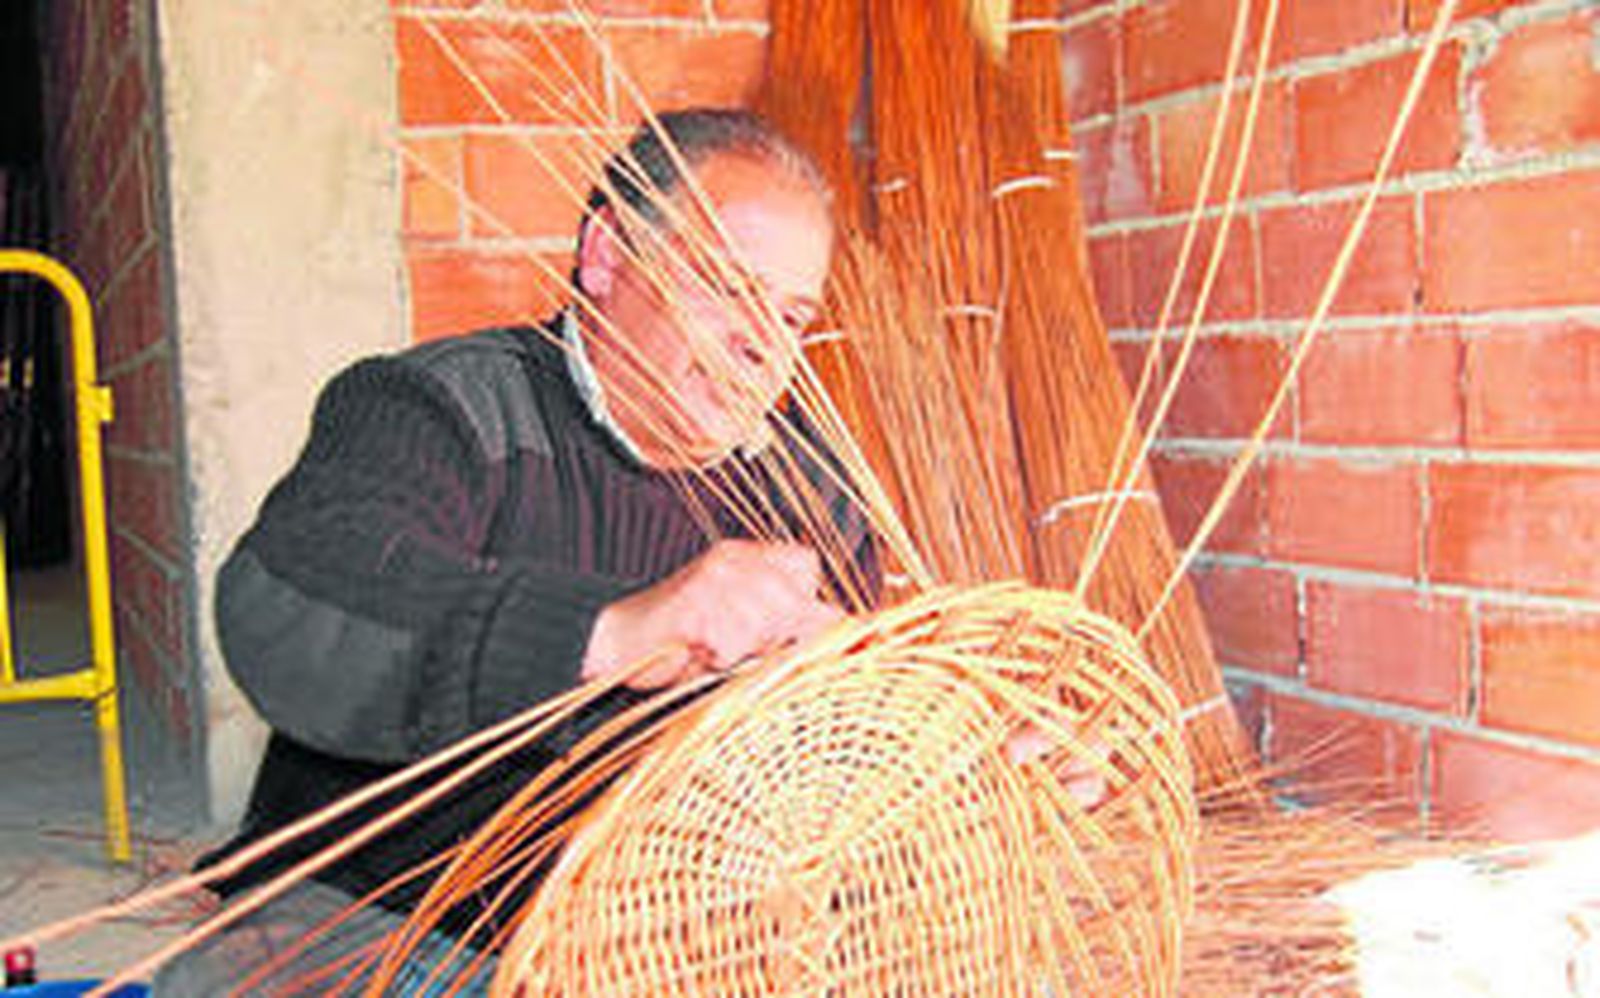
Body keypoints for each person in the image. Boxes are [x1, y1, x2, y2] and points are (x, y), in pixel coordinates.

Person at [157, 109, 878, 994]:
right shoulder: (442, 409)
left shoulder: (809, 490)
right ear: (608, 256)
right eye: (723, 287)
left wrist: (973, 756)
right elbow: (285, 607)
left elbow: (840, 773)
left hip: (650, 948)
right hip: (382, 914)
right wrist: (610, 635)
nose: (761, 342)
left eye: (793, 316)